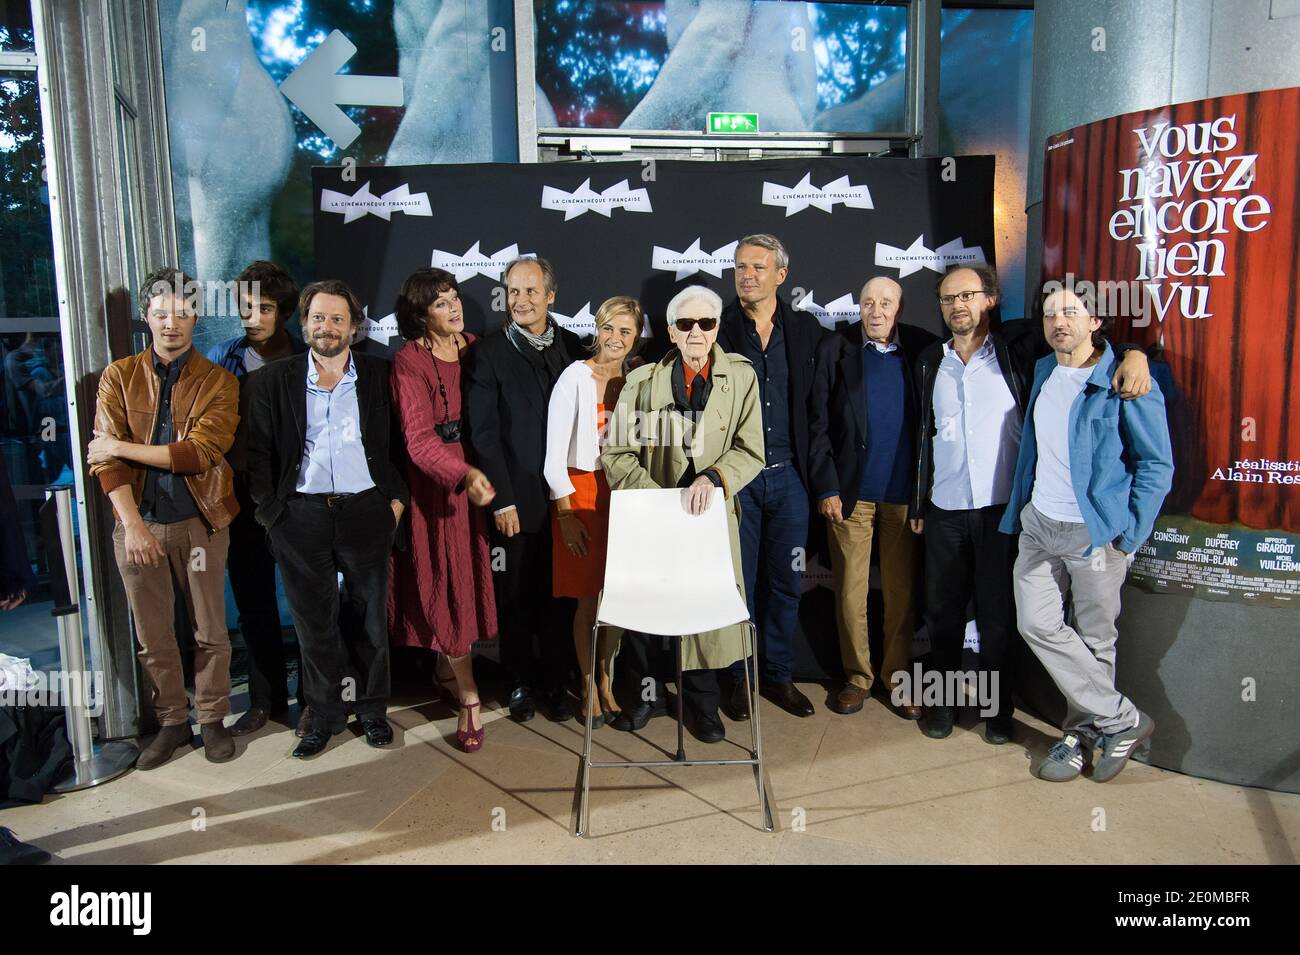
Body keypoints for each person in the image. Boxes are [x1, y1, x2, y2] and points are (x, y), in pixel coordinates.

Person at [910, 264, 1152, 744]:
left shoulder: (1020, 348)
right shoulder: (927, 361)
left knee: (1000, 617)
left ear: (990, 299)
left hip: (1003, 511)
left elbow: (1083, 342)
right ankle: (940, 704)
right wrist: (920, 503)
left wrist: (1134, 353)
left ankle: (997, 710)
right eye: (947, 299)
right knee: (942, 613)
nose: (957, 305)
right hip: (944, 509)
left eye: (968, 295)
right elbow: (923, 436)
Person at [999, 283, 1172, 781]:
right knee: (1036, 623)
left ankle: (1078, 738)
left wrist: (1129, 535)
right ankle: (1124, 720)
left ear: (1096, 322)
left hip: (1096, 533)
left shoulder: (1123, 379)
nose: (1059, 322)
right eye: (1051, 313)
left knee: (1096, 640)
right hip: (1038, 525)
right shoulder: (1043, 369)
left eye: (1071, 312)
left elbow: (1156, 464)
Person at [245, 279, 408, 759]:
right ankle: (326, 715)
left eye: (338, 318)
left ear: (354, 327)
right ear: (305, 322)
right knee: (314, 623)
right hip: (301, 515)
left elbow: (403, 443)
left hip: (367, 511)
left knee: (369, 619)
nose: (327, 327)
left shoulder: (382, 375)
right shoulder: (275, 380)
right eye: (318, 317)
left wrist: (394, 503)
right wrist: (273, 514)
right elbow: (258, 454)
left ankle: (373, 710)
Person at [86, 267, 240, 768]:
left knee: (209, 630)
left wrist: (120, 445)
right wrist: (131, 524)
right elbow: (104, 461)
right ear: (146, 318)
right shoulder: (118, 376)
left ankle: (213, 719)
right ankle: (173, 721)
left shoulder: (218, 380)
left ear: (196, 316)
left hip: (201, 520)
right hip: (138, 522)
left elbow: (199, 453)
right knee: (153, 635)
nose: (170, 323)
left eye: (181, 312)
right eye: (160, 313)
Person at [601, 285, 765, 743]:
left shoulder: (742, 378)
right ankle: (641, 699)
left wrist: (713, 478)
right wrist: (655, 499)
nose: (696, 332)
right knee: (644, 612)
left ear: (716, 329)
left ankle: (703, 707)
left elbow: (751, 450)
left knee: (705, 612)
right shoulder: (640, 382)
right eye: (685, 324)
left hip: (709, 516)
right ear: (671, 331)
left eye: (706, 323)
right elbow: (616, 453)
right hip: (651, 518)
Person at [808, 276, 936, 718]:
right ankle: (858, 678)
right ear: (858, 307)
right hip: (850, 496)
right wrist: (826, 486)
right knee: (849, 592)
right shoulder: (836, 349)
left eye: (885, 303)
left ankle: (897, 678)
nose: (876, 311)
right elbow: (818, 422)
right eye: (867, 303)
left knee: (901, 595)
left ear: (899, 308)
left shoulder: (923, 349)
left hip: (904, 499)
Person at [464, 256, 583, 723]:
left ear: (551, 296)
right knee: (515, 596)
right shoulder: (488, 353)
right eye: (514, 291)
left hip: (568, 498)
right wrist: (503, 500)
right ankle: (517, 682)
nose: (521, 300)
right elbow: (484, 434)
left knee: (560, 597)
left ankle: (556, 683)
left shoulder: (574, 348)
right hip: (517, 497)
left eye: (531, 291)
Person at [388, 268, 498, 753]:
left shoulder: (479, 347)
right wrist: (462, 475)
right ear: (419, 316)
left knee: (484, 583)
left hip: (490, 476)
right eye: (440, 303)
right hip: (443, 489)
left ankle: (445, 667)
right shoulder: (408, 362)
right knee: (452, 585)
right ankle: (470, 696)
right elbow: (417, 439)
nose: (454, 307)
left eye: (454, 298)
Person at [716, 234, 825, 720]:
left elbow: (819, 412)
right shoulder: (714, 327)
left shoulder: (805, 331)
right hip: (736, 480)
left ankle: (777, 675)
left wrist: (825, 483)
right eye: (740, 266)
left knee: (786, 583)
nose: (747, 275)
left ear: (781, 275)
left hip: (790, 479)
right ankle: (738, 680)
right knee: (738, 585)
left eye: (758, 267)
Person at [206, 260, 309, 737]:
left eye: (264, 307)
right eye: (246, 306)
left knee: (311, 600)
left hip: (299, 497)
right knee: (254, 604)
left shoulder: (311, 358)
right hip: (243, 499)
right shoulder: (221, 358)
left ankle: (313, 698)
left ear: (284, 311)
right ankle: (266, 701)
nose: (252, 316)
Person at [544, 296, 644, 728]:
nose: (616, 339)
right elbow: (551, 458)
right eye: (609, 329)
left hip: (626, 494)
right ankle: (587, 686)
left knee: (617, 598)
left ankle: (607, 680)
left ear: (637, 336)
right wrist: (565, 515)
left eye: (626, 331)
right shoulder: (574, 377)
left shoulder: (641, 380)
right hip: (581, 495)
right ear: (597, 330)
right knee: (588, 601)